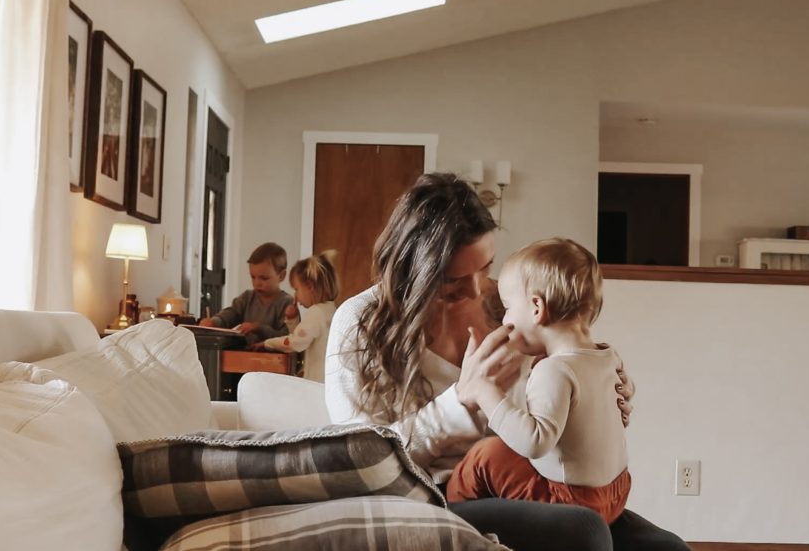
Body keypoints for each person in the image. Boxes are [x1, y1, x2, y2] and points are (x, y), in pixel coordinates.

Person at [325, 173, 690, 550]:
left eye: (484, 268)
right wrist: (459, 403)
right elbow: (361, 462)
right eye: (454, 280)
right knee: (583, 532)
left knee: (666, 548)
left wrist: (601, 393)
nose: (477, 289)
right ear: (412, 269)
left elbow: (564, 376)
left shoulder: (506, 304)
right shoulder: (360, 323)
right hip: (434, 492)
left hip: (536, 479)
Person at [447, 238, 631, 525]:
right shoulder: (607, 356)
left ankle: (453, 520)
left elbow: (535, 442)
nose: (505, 318)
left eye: (507, 306)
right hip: (616, 492)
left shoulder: (555, 370)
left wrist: (486, 392)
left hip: (573, 502)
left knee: (485, 455)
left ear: (536, 307)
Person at [261, 250, 339, 382]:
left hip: (316, 384)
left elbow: (295, 343)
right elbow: (304, 339)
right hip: (328, 383)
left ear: (310, 287)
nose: (295, 296)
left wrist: (267, 343)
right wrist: (292, 320)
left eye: (297, 289)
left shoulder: (316, 312)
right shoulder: (331, 310)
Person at [199, 242, 294, 348]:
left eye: (264, 278)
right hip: (245, 357)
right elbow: (230, 314)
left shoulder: (287, 303)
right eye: (253, 277)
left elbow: (287, 338)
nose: (257, 283)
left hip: (274, 360)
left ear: (281, 276)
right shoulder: (247, 298)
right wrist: (214, 322)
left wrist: (258, 328)